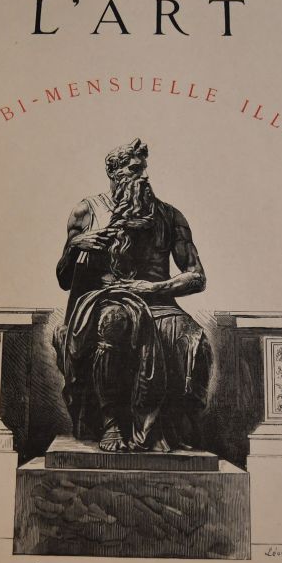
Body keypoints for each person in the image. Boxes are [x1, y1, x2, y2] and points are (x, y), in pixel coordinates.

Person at [53, 138, 213, 452]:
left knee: (192, 339)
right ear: (113, 172)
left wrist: (154, 288)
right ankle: (111, 422)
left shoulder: (170, 215)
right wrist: (74, 247)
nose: (143, 176)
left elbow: (197, 276)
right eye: (134, 169)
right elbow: (63, 280)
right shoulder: (86, 211)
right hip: (105, 298)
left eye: (143, 169)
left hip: (159, 301)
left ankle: (172, 427)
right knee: (114, 321)